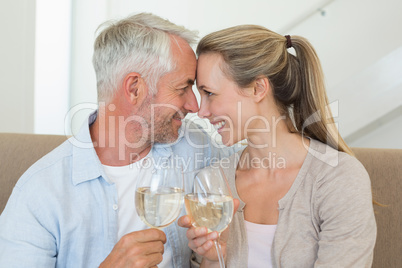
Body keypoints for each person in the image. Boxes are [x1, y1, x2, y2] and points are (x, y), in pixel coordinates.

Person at [0, 13, 234, 267]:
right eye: (182, 88)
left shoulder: (196, 147)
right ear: (134, 88)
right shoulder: (41, 192)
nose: (194, 105)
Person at [179, 25, 377, 267]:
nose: (201, 111)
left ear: (258, 88)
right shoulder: (213, 182)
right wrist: (214, 259)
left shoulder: (337, 178)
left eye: (209, 93)